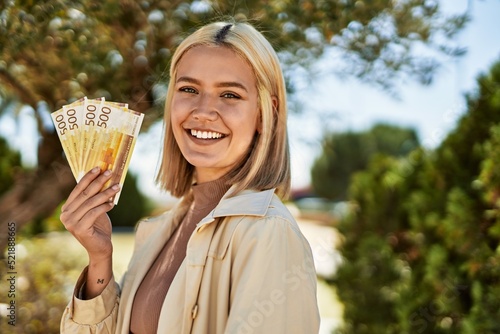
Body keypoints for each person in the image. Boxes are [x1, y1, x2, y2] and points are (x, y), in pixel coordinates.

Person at [60, 19, 320, 334]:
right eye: (189, 89)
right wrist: (100, 257)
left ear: (265, 115)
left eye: (230, 95)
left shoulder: (269, 233)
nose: (203, 110)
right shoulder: (157, 232)